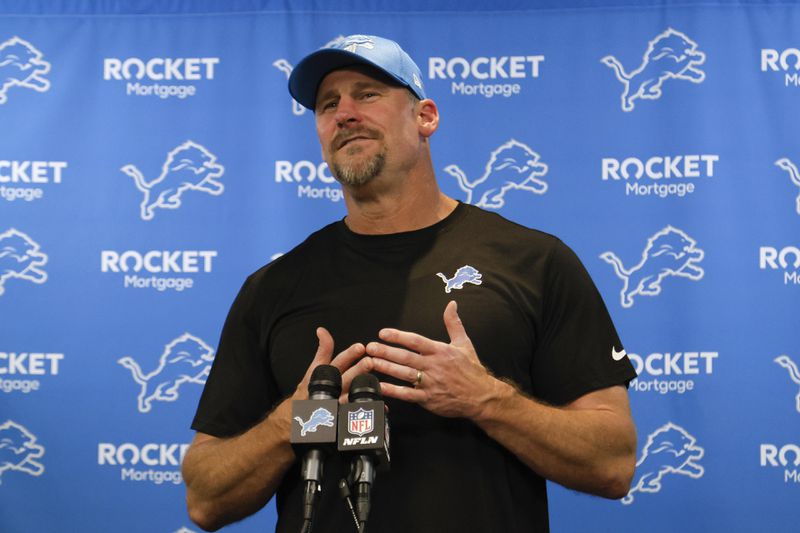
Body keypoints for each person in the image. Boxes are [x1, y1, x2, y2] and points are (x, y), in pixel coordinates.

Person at [182, 34, 637, 533]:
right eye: (327, 104)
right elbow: (204, 499)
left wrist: (488, 399)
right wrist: (290, 423)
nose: (345, 113)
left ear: (425, 117)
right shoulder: (273, 287)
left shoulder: (534, 261)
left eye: (368, 93)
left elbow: (613, 463)